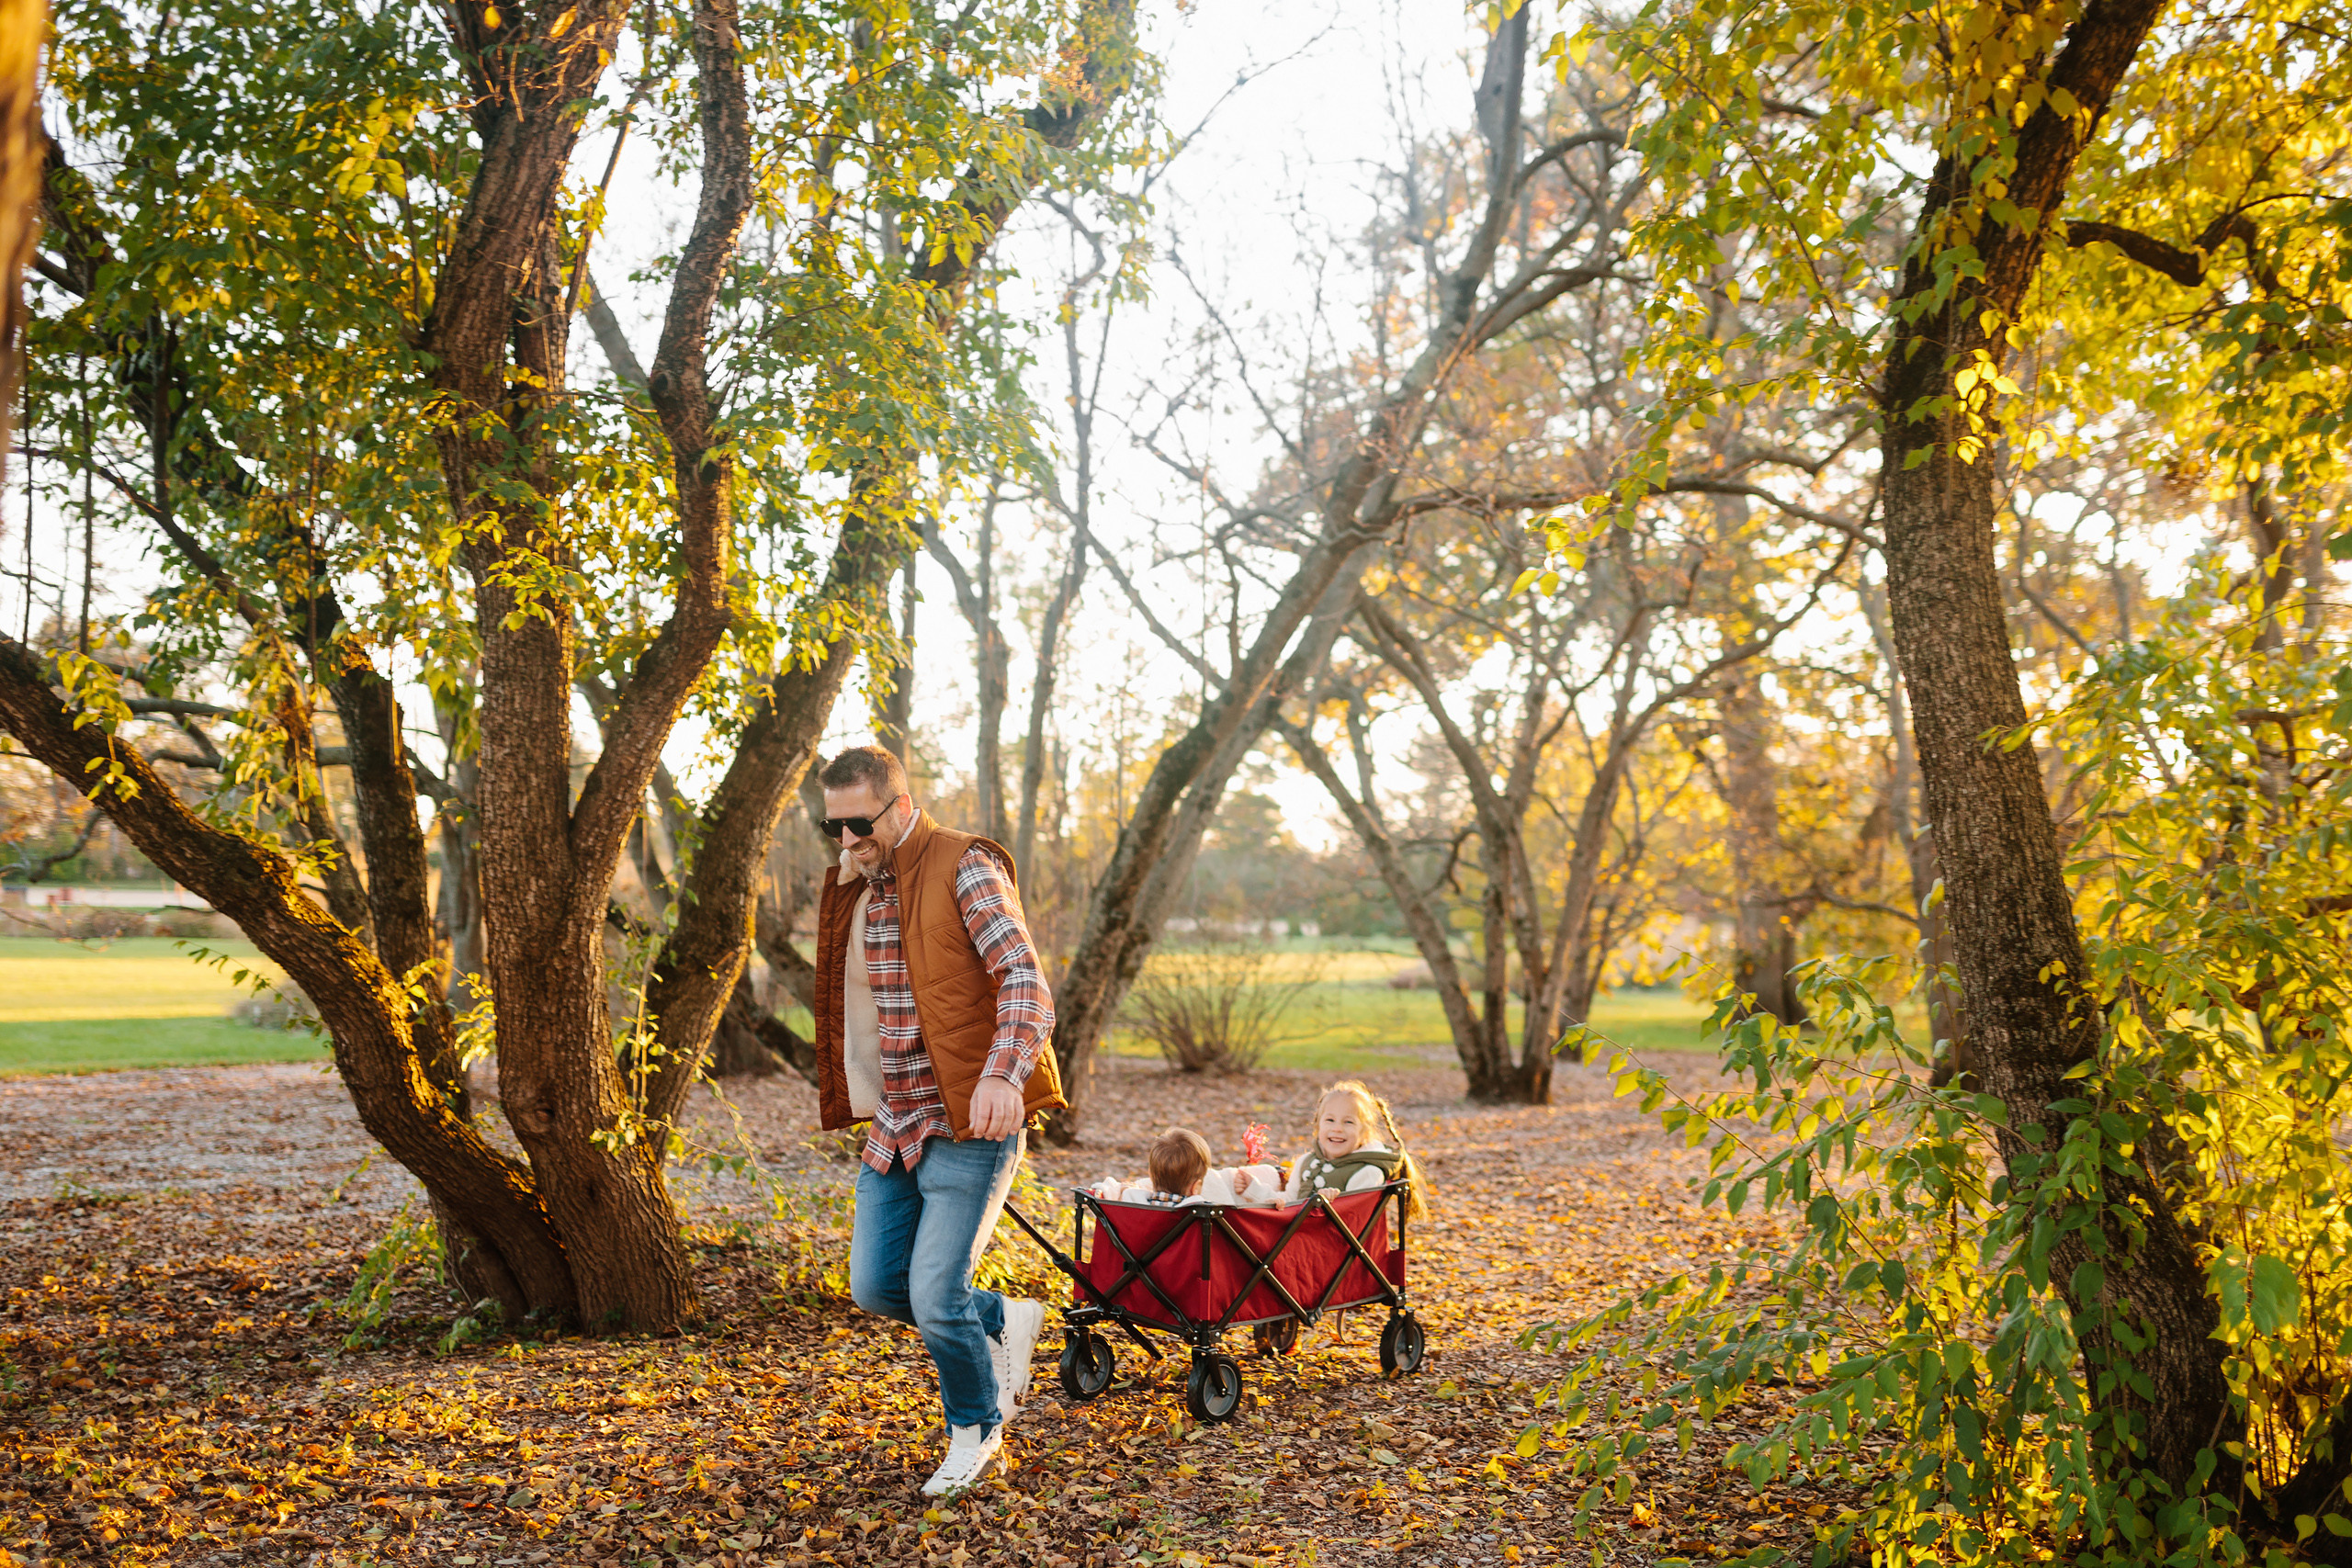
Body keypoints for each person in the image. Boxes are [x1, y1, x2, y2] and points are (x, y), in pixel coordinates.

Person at [808, 744, 1066, 1497]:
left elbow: (1025, 979)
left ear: (897, 804)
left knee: (931, 1292)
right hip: (898, 1122)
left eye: (860, 823)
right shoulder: (857, 888)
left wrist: (1000, 1073)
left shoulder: (964, 864)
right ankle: (1002, 1317)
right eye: (835, 828)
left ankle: (975, 1428)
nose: (848, 841)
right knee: (878, 1286)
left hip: (972, 1121)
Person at [1248, 1079, 1430, 1220]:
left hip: (1330, 1250)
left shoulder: (1367, 1172)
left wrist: (1328, 1205)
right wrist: (1258, 1192)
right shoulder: (1306, 1162)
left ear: (1364, 1132)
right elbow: (1291, 1198)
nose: (1337, 1129)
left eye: (1348, 1122)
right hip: (1295, 1240)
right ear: (1317, 1124)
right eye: (1330, 1120)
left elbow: (1354, 1223)